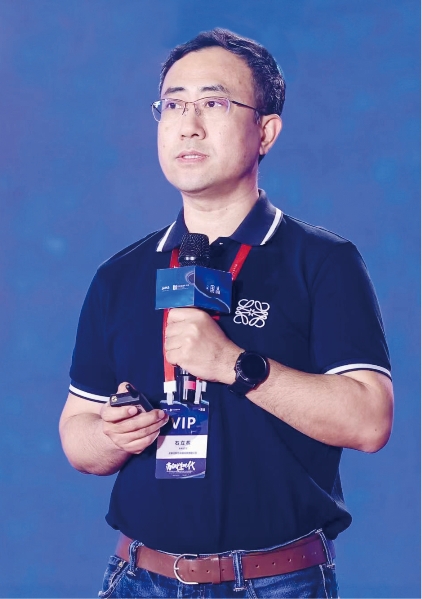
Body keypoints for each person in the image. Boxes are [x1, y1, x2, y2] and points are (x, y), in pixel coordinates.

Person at [59, 28, 393, 599]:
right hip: (140, 578)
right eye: (173, 105)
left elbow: (369, 421)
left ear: (266, 131)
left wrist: (234, 364)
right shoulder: (119, 275)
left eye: (213, 103)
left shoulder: (322, 261)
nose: (188, 124)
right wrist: (113, 435)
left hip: (277, 582)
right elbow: (77, 435)